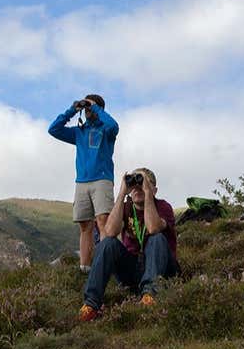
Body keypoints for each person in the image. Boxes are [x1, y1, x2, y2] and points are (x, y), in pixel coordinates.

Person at [79, 167, 179, 321]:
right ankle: (91, 305)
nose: (138, 187)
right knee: (108, 243)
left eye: (143, 182)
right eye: (135, 184)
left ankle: (149, 296)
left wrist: (147, 194)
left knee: (157, 238)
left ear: (155, 190)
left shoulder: (163, 207)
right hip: (134, 270)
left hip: (162, 269)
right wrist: (122, 194)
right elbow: (110, 232)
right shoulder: (126, 207)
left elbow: (152, 228)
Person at [48, 94, 119, 274]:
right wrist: (73, 109)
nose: (87, 110)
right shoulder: (79, 132)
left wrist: (95, 107)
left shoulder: (106, 130)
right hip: (81, 182)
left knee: (103, 222)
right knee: (85, 226)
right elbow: (53, 129)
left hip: (102, 179)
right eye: (86, 107)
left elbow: (114, 126)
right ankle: (85, 268)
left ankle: (106, 265)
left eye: (90, 107)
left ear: (99, 109)